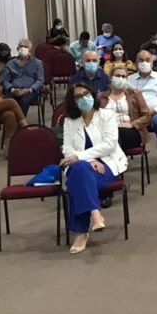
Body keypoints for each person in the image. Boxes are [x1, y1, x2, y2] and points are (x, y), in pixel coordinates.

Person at [60, 83, 128, 254]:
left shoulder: (107, 115)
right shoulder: (69, 122)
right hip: (80, 166)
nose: (83, 98)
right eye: (78, 96)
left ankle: (81, 232)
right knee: (81, 170)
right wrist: (89, 160)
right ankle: (95, 213)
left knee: (78, 178)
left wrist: (82, 157)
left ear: (92, 94)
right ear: (73, 102)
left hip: (107, 164)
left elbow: (110, 144)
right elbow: (67, 150)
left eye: (86, 93)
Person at [128, 50, 157, 173]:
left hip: (156, 113)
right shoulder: (129, 79)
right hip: (136, 114)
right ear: (136, 63)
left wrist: (153, 110)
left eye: (147, 60)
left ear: (152, 62)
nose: (144, 63)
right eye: (141, 60)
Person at [99, 63, 152, 153]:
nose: (120, 78)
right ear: (111, 78)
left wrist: (132, 124)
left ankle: (114, 159)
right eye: (117, 76)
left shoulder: (135, 94)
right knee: (110, 136)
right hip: (107, 131)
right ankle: (118, 159)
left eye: (123, 76)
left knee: (118, 135)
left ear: (127, 79)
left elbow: (147, 116)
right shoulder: (101, 97)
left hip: (130, 131)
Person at [0, 39, 44, 116]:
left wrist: (29, 90)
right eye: (21, 46)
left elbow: (40, 80)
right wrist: (12, 89)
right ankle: (11, 120)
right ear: (17, 49)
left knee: (24, 101)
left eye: (26, 47)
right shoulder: (10, 63)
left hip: (30, 91)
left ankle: (20, 120)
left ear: (30, 49)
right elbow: (4, 80)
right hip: (14, 90)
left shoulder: (37, 63)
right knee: (7, 100)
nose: (23, 48)